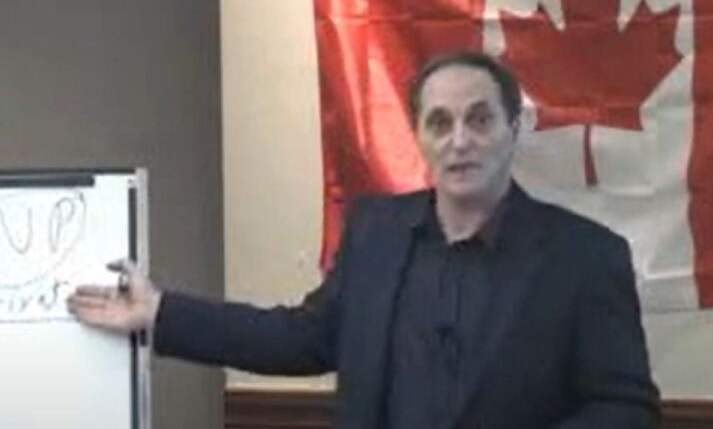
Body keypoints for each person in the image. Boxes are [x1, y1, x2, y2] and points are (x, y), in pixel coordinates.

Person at [68, 51, 660, 429]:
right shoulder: (376, 234)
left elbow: (626, 409)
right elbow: (301, 338)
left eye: (480, 120)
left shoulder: (585, 256)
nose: (460, 141)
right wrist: (162, 312)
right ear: (420, 138)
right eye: (440, 123)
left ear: (515, 129)